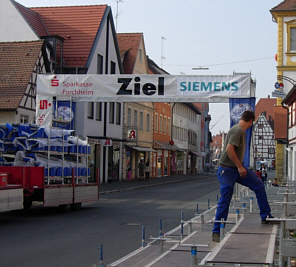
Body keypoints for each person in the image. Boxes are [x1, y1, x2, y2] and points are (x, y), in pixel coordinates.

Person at [212, 110, 273, 243]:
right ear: (251, 121)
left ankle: (266, 215)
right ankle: (216, 230)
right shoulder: (238, 130)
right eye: (252, 123)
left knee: (258, 185)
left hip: (236, 168)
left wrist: (240, 167)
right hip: (227, 169)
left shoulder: (239, 130)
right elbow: (229, 149)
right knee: (226, 196)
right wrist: (240, 167)